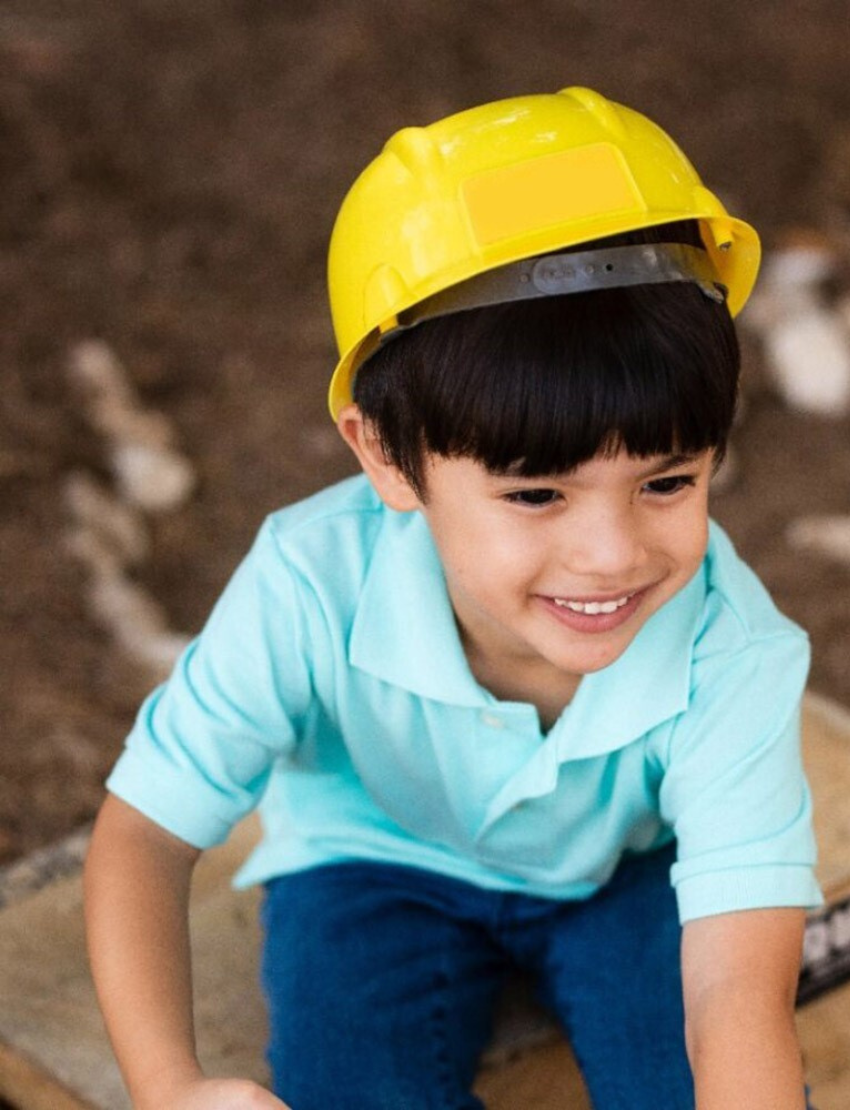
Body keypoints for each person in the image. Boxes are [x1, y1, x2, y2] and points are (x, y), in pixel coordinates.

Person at [84, 86, 822, 1110]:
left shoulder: (733, 651)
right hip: (371, 868)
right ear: (385, 454)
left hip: (624, 876)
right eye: (534, 492)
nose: (610, 554)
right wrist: (167, 1086)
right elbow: (142, 839)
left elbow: (736, 992)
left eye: (667, 480)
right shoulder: (308, 584)